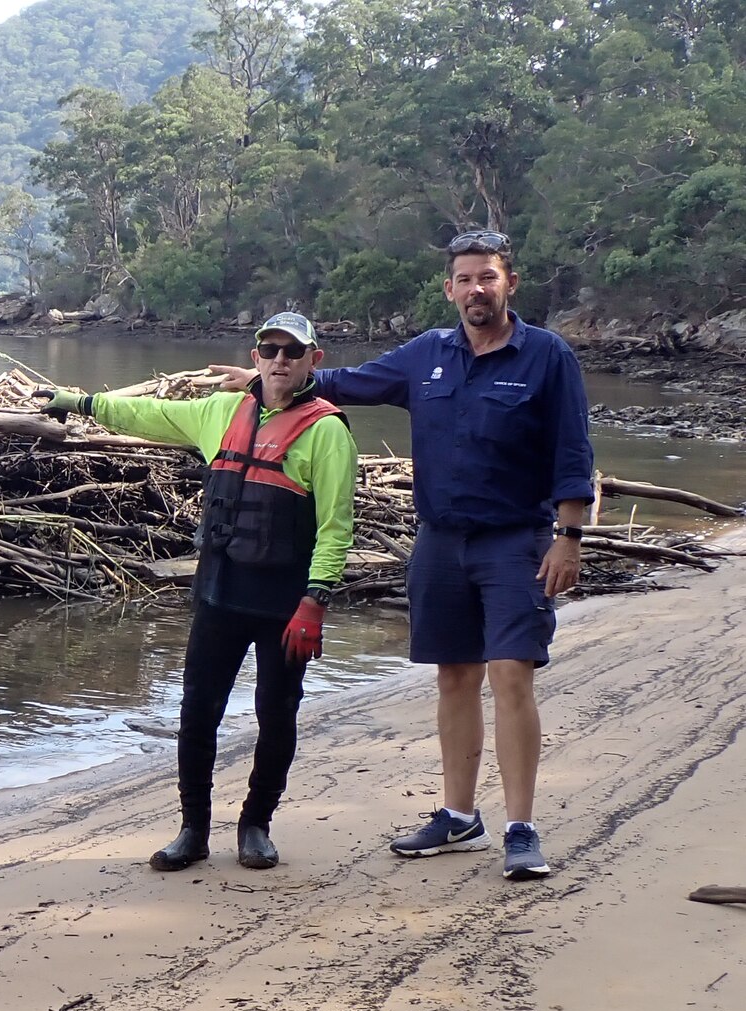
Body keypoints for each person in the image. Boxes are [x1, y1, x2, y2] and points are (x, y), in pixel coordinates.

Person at [210, 231, 594, 881]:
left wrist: (569, 535)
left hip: (515, 542)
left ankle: (521, 829)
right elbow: (348, 383)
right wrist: (276, 377)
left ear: (510, 284)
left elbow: (573, 452)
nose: (477, 288)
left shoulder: (547, 357)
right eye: (465, 279)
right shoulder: (428, 355)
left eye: (488, 278)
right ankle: (458, 815)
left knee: (511, 676)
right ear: (449, 290)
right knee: (454, 678)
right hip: (439, 541)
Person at [37, 312, 358, 871]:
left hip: (284, 608)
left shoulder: (327, 432)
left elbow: (335, 527)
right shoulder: (220, 412)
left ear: (313, 361)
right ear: (255, 357)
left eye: (292, 352)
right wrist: (80, 402)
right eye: (270, 350)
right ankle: (194, 830)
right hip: (218, 597)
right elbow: (149, 413)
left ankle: (256, 825)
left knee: (276, 715)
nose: (280, 361)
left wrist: (316, 600)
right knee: (197, 714)